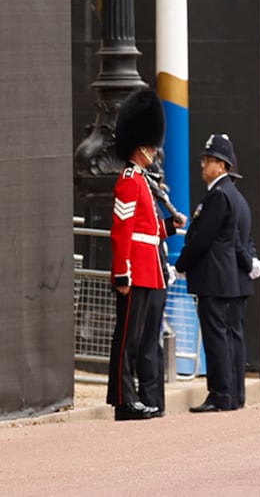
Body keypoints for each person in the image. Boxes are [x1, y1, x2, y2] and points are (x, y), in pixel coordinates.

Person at [177, 132, 259, 413]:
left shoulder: (218, 197)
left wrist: (181, 265)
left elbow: (201, 239)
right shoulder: (236, 197)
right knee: (233, 337)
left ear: (221, 166)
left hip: (216, 279)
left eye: (208, 160)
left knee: (217, 338)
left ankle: (221, 394)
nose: (203, 164)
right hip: (232, 279)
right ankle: (234, 395)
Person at [108, 89, 169, 421]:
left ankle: (135, 398)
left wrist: (169, 227)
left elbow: (148, 228)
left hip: (149, 269)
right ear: (140, 145)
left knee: (141, 338)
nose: (154, 150)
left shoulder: (143, 180)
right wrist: (122, 272)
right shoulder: (129, 180)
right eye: (151, 145)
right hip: (134, 270)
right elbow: (122, 232)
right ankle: (123, 400)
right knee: (128, 340)